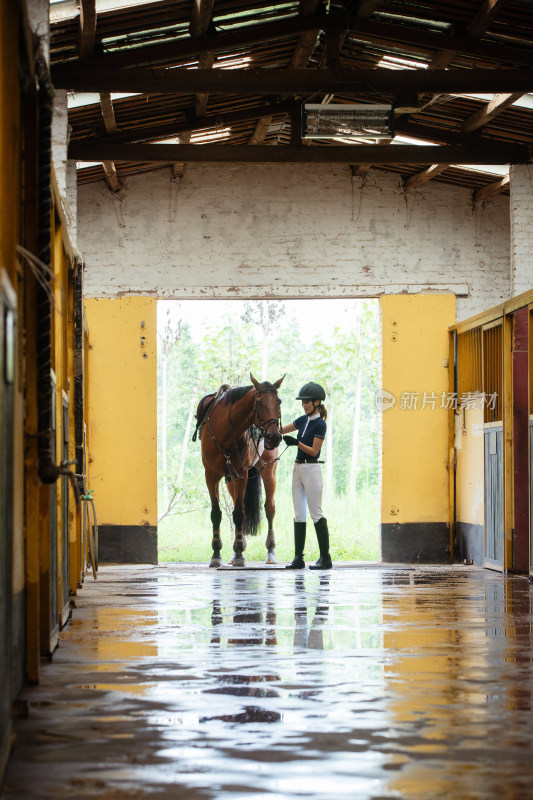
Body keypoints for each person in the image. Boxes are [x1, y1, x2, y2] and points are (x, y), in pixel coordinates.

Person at [281, 382, 332, 570]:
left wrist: (297, 443)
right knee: (298, 514)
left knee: (315, 513)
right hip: (297, 469)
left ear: (317, 402)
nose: (304, 405)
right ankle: (298, 558)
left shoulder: (320, 424)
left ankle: (325, 558)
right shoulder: (302, 420)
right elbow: (282, 430)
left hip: (311, 470)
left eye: (307, 402)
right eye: (302, 402)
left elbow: (313, 451)